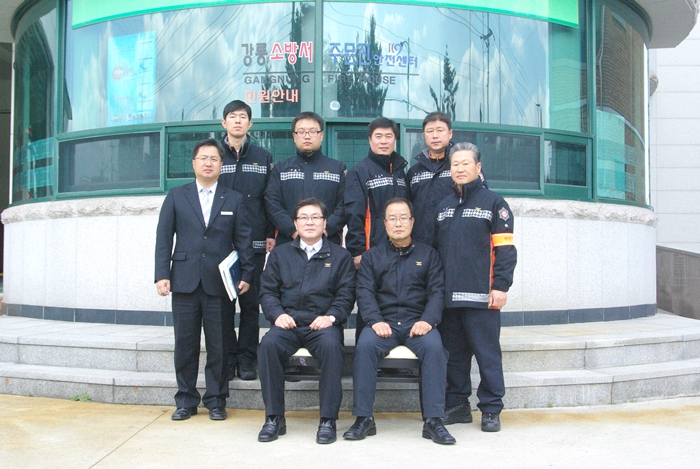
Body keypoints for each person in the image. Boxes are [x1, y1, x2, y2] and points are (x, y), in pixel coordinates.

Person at [155, 138, 254, 421]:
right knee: (185, 345)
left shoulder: (233, 198)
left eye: (214, 159)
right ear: (194, 163)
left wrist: (246, 274)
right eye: (203, 158)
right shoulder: (177, 195)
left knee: (219, 346)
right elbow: (164, 238)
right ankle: (185, 400)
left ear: (222, 165)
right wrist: (161, 274)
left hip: (219, 284)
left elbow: (244, 240)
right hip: (184, 281)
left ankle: (216, 400)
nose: (208, 163)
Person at [343, 198, 455, 445]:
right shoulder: (372, 257)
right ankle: (364, 418)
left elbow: (437, 292)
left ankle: (434, 420)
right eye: (392, 218)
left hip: (418, 324)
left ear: (412, 222)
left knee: (435, 348)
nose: (398, 223)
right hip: (383, 323)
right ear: (384, 223)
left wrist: (428, 321)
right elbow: (364, 292)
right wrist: (375, 320)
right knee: (364, 347)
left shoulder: (428, 255)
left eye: (403, 218)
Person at [257, 198, 356, 444]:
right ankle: (274, 417)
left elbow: (346, 296)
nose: (309, 222)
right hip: (288, 323)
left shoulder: (340, 256)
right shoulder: (280, 254)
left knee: (332, 347)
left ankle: (327, 420)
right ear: (295, 224)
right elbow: (267, 292)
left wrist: (330, 317)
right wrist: (278, 314)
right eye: (303, 217)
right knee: (268, 345)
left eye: (315, 217)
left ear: (325, 223)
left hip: (322, 325)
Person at [433, 142, 517, 433]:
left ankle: (491, 409)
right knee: (454, 358)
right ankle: (458, 405)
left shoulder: (495, 203)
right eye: (455, 164)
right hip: (449, 300)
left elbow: (505, 250)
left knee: (487, 356)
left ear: (478, 167)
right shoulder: (443, 207)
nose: (459, 168)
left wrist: (501, 286)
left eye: (465, 163)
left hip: (483, 299)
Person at [219, 100, 275, 381]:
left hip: (254, 243)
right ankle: (227, 359)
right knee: (223, 306)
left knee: (251, 305)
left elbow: (270, 199)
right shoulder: (214, 155)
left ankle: (246, 360)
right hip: (221, 244)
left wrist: (270, 233)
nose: (238, 121)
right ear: (224, 123)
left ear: (250, 124)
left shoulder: (263, 157)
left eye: (243, 117)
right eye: (233, 117)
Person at [344, 117, 408, 341]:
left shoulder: (401, 171)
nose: (384, 141)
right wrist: (357, 250)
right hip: (371, 251)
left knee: (398, 299)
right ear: (370, 140)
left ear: (395, 139)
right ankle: (365, 350)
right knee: (369, 301)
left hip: (401, 249)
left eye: (388, 136)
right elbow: (354, 214)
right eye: (378, 136)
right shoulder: (359, 171)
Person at [264, 112, 346, 246]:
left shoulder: (337, 169)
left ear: (321, 135)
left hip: (328, 242)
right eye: (301, 132)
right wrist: (292, 230)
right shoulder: (281, 169)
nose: (307, 136)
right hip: (288, 242)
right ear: (294, 137)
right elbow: (272, 203)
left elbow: (344, 204)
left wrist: (325, 229)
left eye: (313, 131)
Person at [406, 112, 454, 245]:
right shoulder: (414, 172)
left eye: (440, 130)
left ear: (450, 134)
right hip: (422, 243)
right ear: (424, 135)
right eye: (430, 131)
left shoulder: (461, 166)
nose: (435, 135)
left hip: (454, 240)